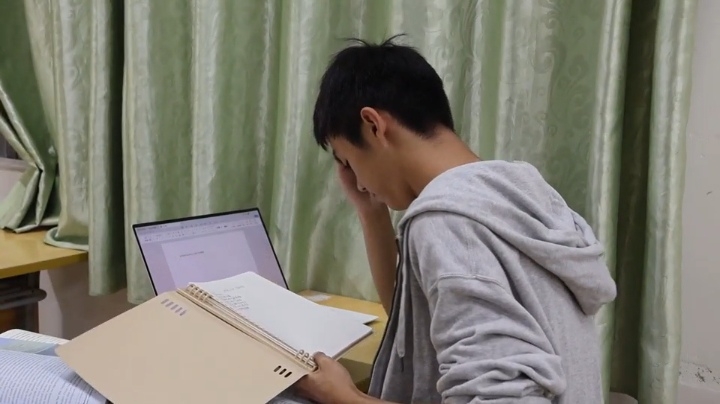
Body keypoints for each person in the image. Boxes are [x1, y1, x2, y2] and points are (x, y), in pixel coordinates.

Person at [294, 35, 617, 404]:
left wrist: (343, 397)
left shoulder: (447, 222)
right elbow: (418, 324)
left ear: (373, 125)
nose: (359, 181)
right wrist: (371, 212)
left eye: (348, 160)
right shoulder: (517, 193)